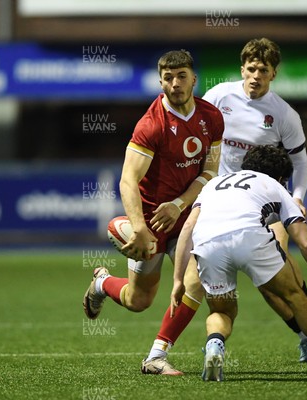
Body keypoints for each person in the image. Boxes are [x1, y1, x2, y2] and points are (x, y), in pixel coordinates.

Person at [140, 38, 307, 373]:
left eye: (263, 71)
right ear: (243, 69)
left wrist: (296, 196)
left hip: (264, 206)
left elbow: (302, 163)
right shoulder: (219, 97)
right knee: (195, 281)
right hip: (218, 200)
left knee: (277, 287)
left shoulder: (284, 115)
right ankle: (158, 352)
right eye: (251, 69)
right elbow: (194, 133)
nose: (256, 76)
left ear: (274, 74)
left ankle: (306, 335)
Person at [82, 49, 224, 375]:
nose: (175, 84)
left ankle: (156, 356)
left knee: (197, 279)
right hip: (152, 220)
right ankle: (103, 283)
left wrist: (179, 205)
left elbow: (210, 172)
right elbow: (128, 180)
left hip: (186, 214)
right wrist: (140, 228)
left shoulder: (212, 118)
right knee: (138, 301)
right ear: (160, 81)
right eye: (168, 78)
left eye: (182, 76)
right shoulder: (151, 125)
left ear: (194, 79)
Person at [170, 145, 307, 381]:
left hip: (208, 243)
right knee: (295, 296)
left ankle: (215, 346)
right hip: (249, 237)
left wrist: (178, 279)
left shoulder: (214, 184)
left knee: (221, 310)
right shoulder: (276, 187)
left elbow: (188, 227)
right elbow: (306, 242)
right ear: (281, 178)